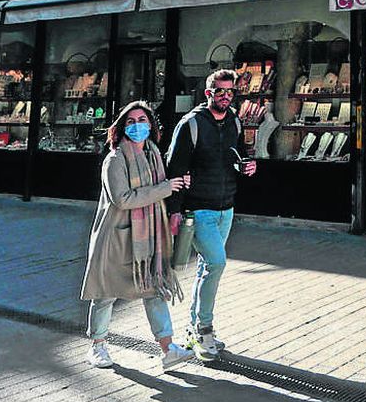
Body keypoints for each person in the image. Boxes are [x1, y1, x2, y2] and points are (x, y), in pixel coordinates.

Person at [80, 101, 195, 372]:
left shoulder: (153, 154)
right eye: (130, 122)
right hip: (116, 237)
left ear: (151, 125)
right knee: (106, 293)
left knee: (153, 289)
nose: (137, 126)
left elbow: (161, 188)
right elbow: (123, 199)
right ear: (121, 127)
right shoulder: (115, 159)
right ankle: (97, 345)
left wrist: (176, 185)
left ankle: (168, 349)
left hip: (147, 236)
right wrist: (165, 188)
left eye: (142, 120)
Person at [165, 69, 256, 361]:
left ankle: (194, 330)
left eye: (231, 92)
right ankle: (204, 329)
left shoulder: (234, 121)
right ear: (208, 94)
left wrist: (247, 165)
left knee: (207, 267)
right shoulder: (191, 124)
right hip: (199, 208)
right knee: (217, 263)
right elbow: (174, 169)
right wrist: (174, 210)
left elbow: (238, 155)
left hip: (226, 206)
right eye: (220, 91)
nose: (226, 96)